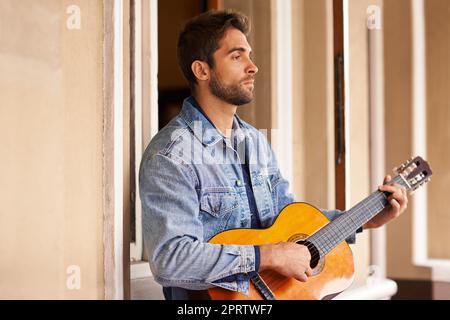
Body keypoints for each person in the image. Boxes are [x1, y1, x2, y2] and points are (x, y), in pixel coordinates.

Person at [139, 10, 408, 300]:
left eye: (250, 55)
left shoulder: (256, 142)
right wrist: (268, 256)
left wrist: (366, 219)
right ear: (202, 71)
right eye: (237, 56)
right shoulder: (170, 155)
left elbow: (288, 223)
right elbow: (170, 259)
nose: (253, 67)